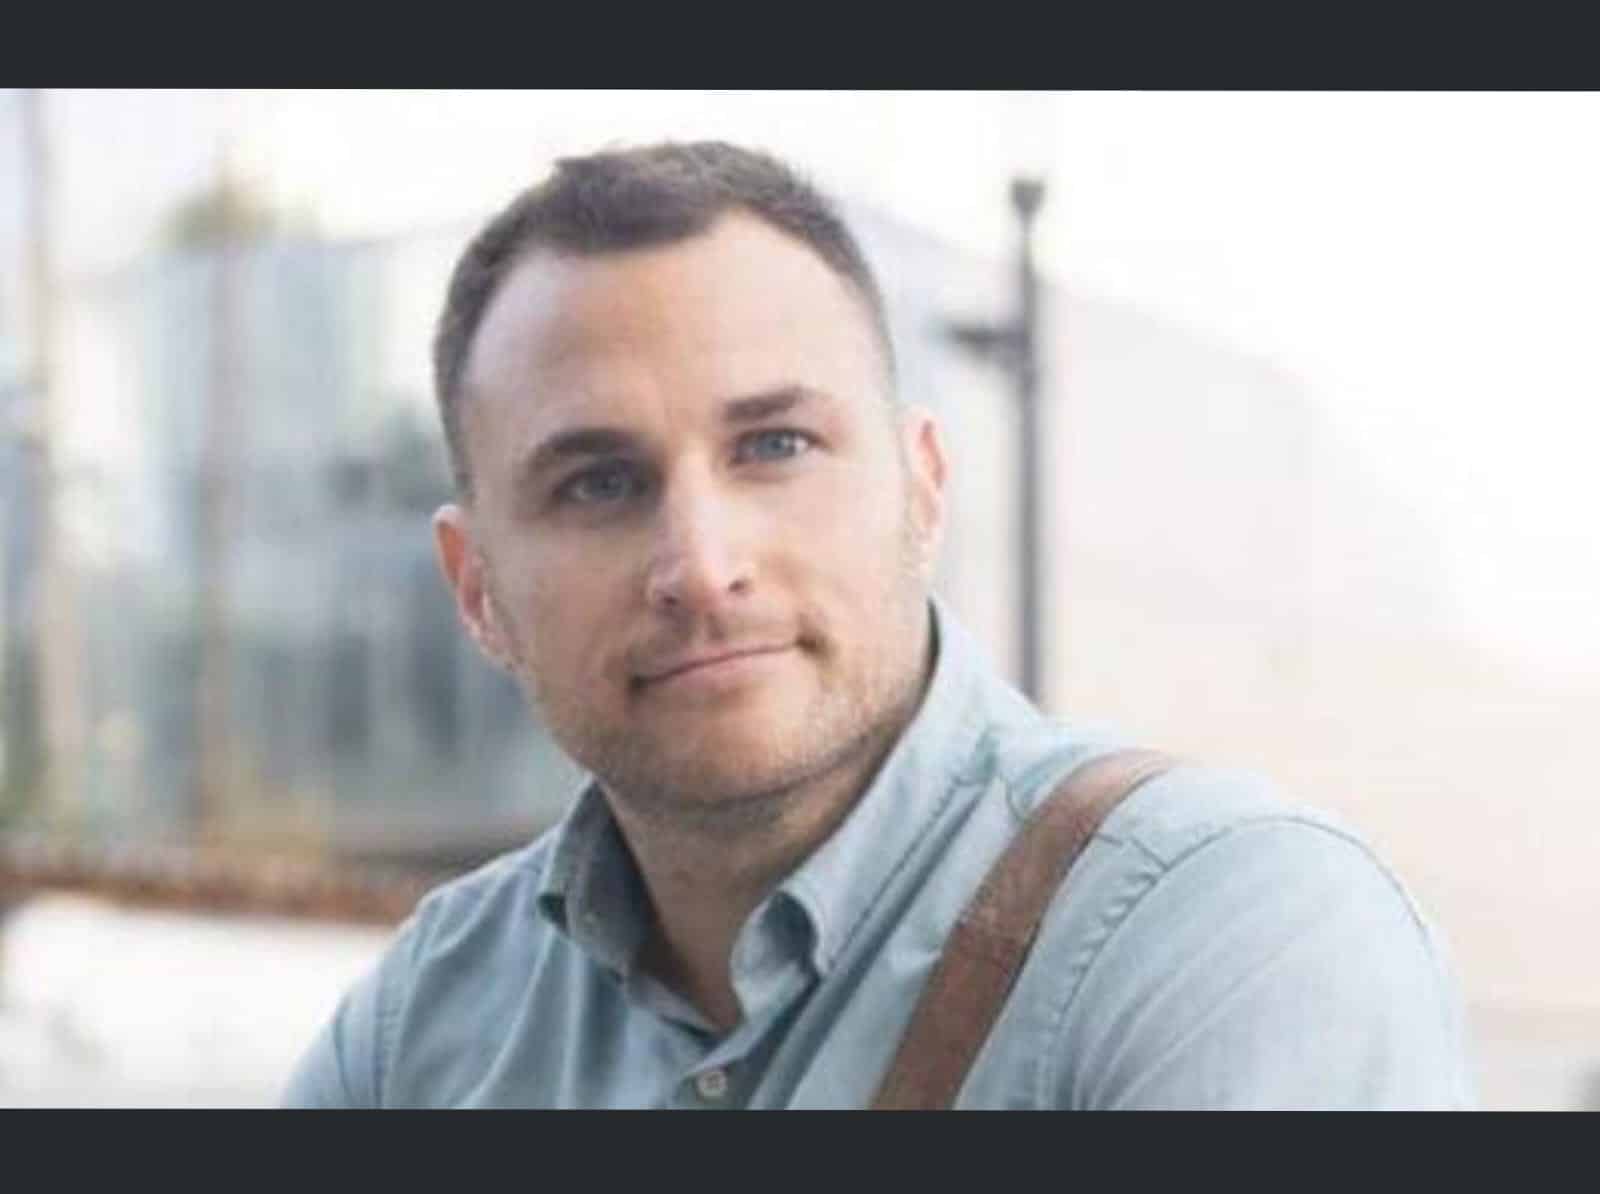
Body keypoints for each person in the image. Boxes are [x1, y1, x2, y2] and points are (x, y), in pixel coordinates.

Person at [281, 141, 1476, 1109]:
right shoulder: (423, 1023)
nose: (701, 567)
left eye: (774, 446)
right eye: (598, 482)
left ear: (921, 490)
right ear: (477, 590)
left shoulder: (1229, 935)